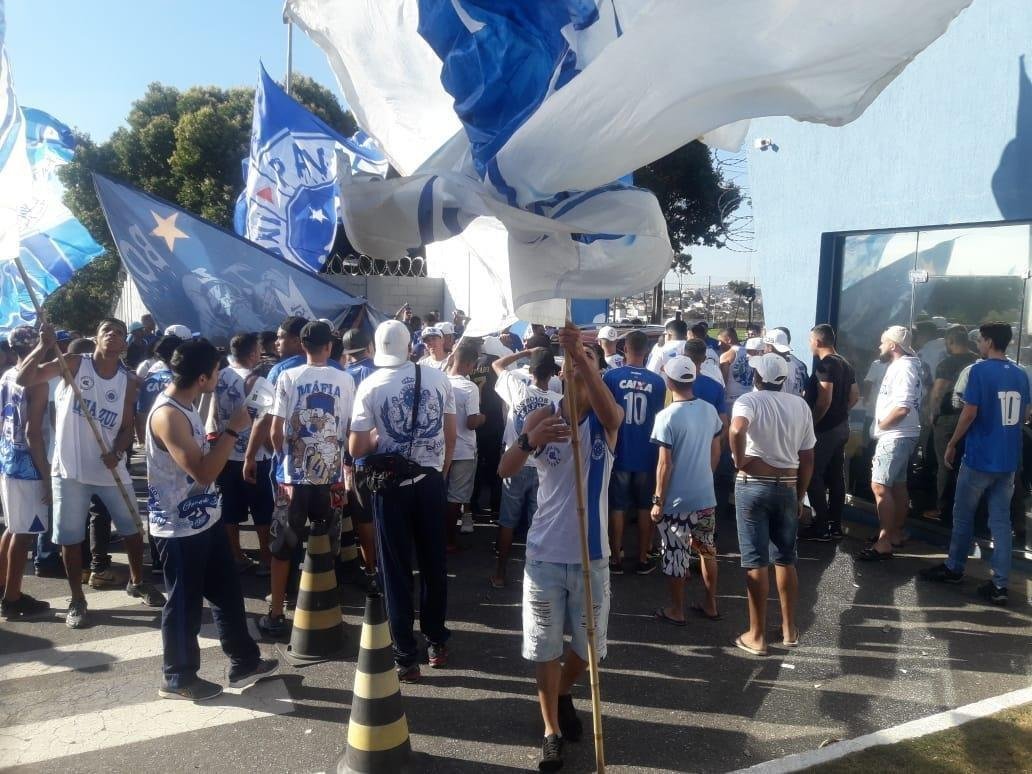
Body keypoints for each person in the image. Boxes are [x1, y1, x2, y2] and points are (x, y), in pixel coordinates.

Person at [498, 324, 622, 772]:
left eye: (587, 365)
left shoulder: (606, 420)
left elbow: (611, 417)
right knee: (544, 647)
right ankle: (550, 730)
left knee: (590, 650)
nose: (576, 371)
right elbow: (505, 468)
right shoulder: (542, 417)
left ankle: (566, 691)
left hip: (592, 557)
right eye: (571, 367)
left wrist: (585, 360)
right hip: (545, 556)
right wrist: (532, 439)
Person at [147, 338, 278, 701]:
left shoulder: (187, 404)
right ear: (203, 378)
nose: (220, 377)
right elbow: (203, 472)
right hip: (177, 527)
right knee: (184, 604)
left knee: (227, 593)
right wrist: (234, 429)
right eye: (216, 372)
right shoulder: (168, 414)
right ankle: (177, 677)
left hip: (205, 519)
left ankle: (244, 662)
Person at [17, 319, 166, 628]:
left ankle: (137, 581)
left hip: (109, 469)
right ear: (96, 338)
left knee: (133, 529)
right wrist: (44, 347)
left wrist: (118, 451)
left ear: (125, 344)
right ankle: (77, 598)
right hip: (69, 469)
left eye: (119, 332)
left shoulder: (127, 381)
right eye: (106, 330)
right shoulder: (73, 363)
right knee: (70, 538)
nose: (113, 334)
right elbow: (24, 379)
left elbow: (126, 428)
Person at [350, 319, 456, 681]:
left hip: (391, 486)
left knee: (394, 571)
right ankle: (437, 641)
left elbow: (357, 448)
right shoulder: (438, 378)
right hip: (430, 482)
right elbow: (450, 433)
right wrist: (438, 471)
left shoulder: (370, 384)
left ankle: (405, 655)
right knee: (433, 565)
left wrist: (380, 437)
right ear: (410, 345)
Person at [920, 323, 1030, 605]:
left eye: (981, 339)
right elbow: (1026, 412)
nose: (978, 344)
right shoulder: (1020, 373)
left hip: (980, 455)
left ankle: (955, 567)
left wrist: (953, 442)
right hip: (1007, 460)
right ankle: (1000, 584)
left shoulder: (979, 371)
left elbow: (969, 412)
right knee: (1001, 523)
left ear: (990, 341)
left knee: (963, 515)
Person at [259, 321, 356, 638]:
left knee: (283, 545)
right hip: (331, 475)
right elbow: (350, 426)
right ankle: (326, 606)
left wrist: (284, 457)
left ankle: (276, 612)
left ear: (302, 346)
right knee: (327, 544)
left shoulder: (288, 376)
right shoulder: (345, 378)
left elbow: (275, 431)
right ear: (328, 346)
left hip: (293, 477)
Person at [730, 353, 815, 656]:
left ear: (756, 377)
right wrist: (801, 494)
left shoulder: (749, 401)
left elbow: (738, 429)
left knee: (755, 561)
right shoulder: (800, 405)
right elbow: (807, 458)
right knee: (785, 558)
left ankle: (757, 635)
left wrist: (739, 460)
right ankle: (790, 629)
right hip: (788, 486)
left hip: (754, 485)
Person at [650, 356, 723, 625]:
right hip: (705, 495)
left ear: (669, 381)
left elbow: (664, 465)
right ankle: (710, 604)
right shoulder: (709, 410)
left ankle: (677, 610)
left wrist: (658, 500)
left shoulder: (666, 417)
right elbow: (716, 450)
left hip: (677, 501)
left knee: (675, 554)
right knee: (707, 550)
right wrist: (706, 475)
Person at [490, 346, 562, 588]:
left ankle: (500, 572)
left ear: (530, 371)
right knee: (536, 524)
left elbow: (497, 365)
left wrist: (524, 352)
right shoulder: (557, 401)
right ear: (552, 373)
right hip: (543, 468)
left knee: (507, 521)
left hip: (515, 462)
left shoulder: (518, 389)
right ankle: (535, 576)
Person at [602, 330, 666, 574]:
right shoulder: (657, 382)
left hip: (619, 452)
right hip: (647, 455)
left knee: (617, 506)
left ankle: (615, 556)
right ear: (647, 351)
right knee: (643, 507)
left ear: (624, 348)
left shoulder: (612, 377)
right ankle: (642, 556)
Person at [858, 326, 922, 561]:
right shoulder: (907, 365)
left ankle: (884, 542)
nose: (879, 346)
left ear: (893, 345)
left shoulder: (904, 367)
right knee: (897, 484)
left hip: (895, 434)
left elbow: (903, 406)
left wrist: (883, 424)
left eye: (883, 342)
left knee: (880, 486)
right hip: (902, 434)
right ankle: (894, 533)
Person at [0, 327, 52, 619]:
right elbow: (34, 432)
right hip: (26, 463)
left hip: (7, 457)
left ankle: (4, 585)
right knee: (23, 534)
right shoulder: (37, 381)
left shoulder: (7, 374)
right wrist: (45, 475)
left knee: (12, 526)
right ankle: (12, 598)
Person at [214, 333, 272, 574]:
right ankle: (267, 559)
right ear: (252, 354)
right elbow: (263, 420)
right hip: (255, 455)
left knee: (230, 509)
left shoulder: (220, 376)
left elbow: (215, 413)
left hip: (226, 452)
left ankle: (236, 555)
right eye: (258, 350)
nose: (261, 353)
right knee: (262, 511)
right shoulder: (260, 380)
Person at [800, 324, 858, 542]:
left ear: (817, 341)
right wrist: (841, 413)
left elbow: (824, 399)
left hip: (825, 430)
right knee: (835, 477)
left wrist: (811, 423)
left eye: (810, 340)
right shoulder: (845, 363)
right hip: (842, 426)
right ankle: (835, 525)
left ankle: (821, 525)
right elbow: (855, 396)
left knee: (813, 474)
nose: (809, 344)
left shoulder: (825, 366)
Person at [924, 325, 977, 521]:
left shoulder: (947, 363)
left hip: (948, 418)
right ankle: (968, 508)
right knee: (967, 463)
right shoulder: (978, 361)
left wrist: (932, 414)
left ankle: (943, 509)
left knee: (945, 463)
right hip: (973, 417)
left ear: (950, 342)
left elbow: (938, 392)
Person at [341, 327, 378, 575]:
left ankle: (370, 567)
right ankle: (386, 561)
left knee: (362, 515)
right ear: (370, 347)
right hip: (384, 452)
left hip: (353, 454)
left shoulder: (341, 376)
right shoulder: (380, 373)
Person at [446, 343, 485, 545]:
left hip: (441, 450)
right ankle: (449, 541)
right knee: (455, 498)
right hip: (463, 451)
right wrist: (482, 418)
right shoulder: (469, 387)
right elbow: (471, 422)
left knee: (440, 494)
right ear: (469, 364)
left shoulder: (441, 382)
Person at [763, 328, 808, 397]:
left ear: (770, 348)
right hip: (797, 405)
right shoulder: (797, 364)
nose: (764, 350)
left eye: (765, 346)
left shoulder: (774, 368)